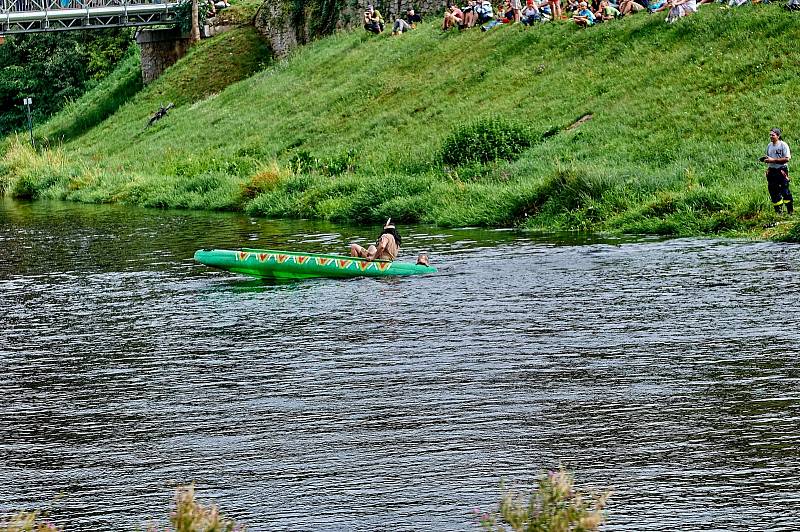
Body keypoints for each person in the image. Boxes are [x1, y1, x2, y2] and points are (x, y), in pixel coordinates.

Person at [762, 128, 793, 214]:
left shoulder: (783, 145)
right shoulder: (769, 146)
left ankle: (790, 211)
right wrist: (768, 165)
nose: (771, 136)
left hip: (781, 171)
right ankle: (778, 212)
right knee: (773, 191)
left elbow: (787, 159)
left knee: (785, 191)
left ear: (778, 136)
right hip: (772, 172)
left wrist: (773, 160)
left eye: (773, 135)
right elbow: (769, 158)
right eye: (770, 135)